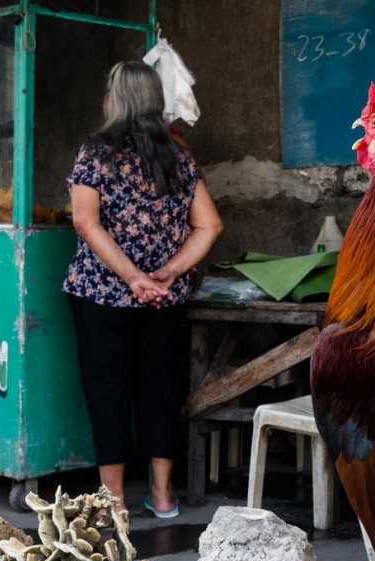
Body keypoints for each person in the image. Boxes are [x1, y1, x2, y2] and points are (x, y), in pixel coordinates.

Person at [64, 61, 223, 519]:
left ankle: (113, 503)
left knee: (107, 391)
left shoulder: (95, 154)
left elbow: (84, 221)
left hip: (101, 294)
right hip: (163, 299)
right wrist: (167, 273)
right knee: (160, 390)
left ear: (116, 99)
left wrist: (131, 278)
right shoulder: (179, 156)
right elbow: (210, 225)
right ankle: (163, 496)